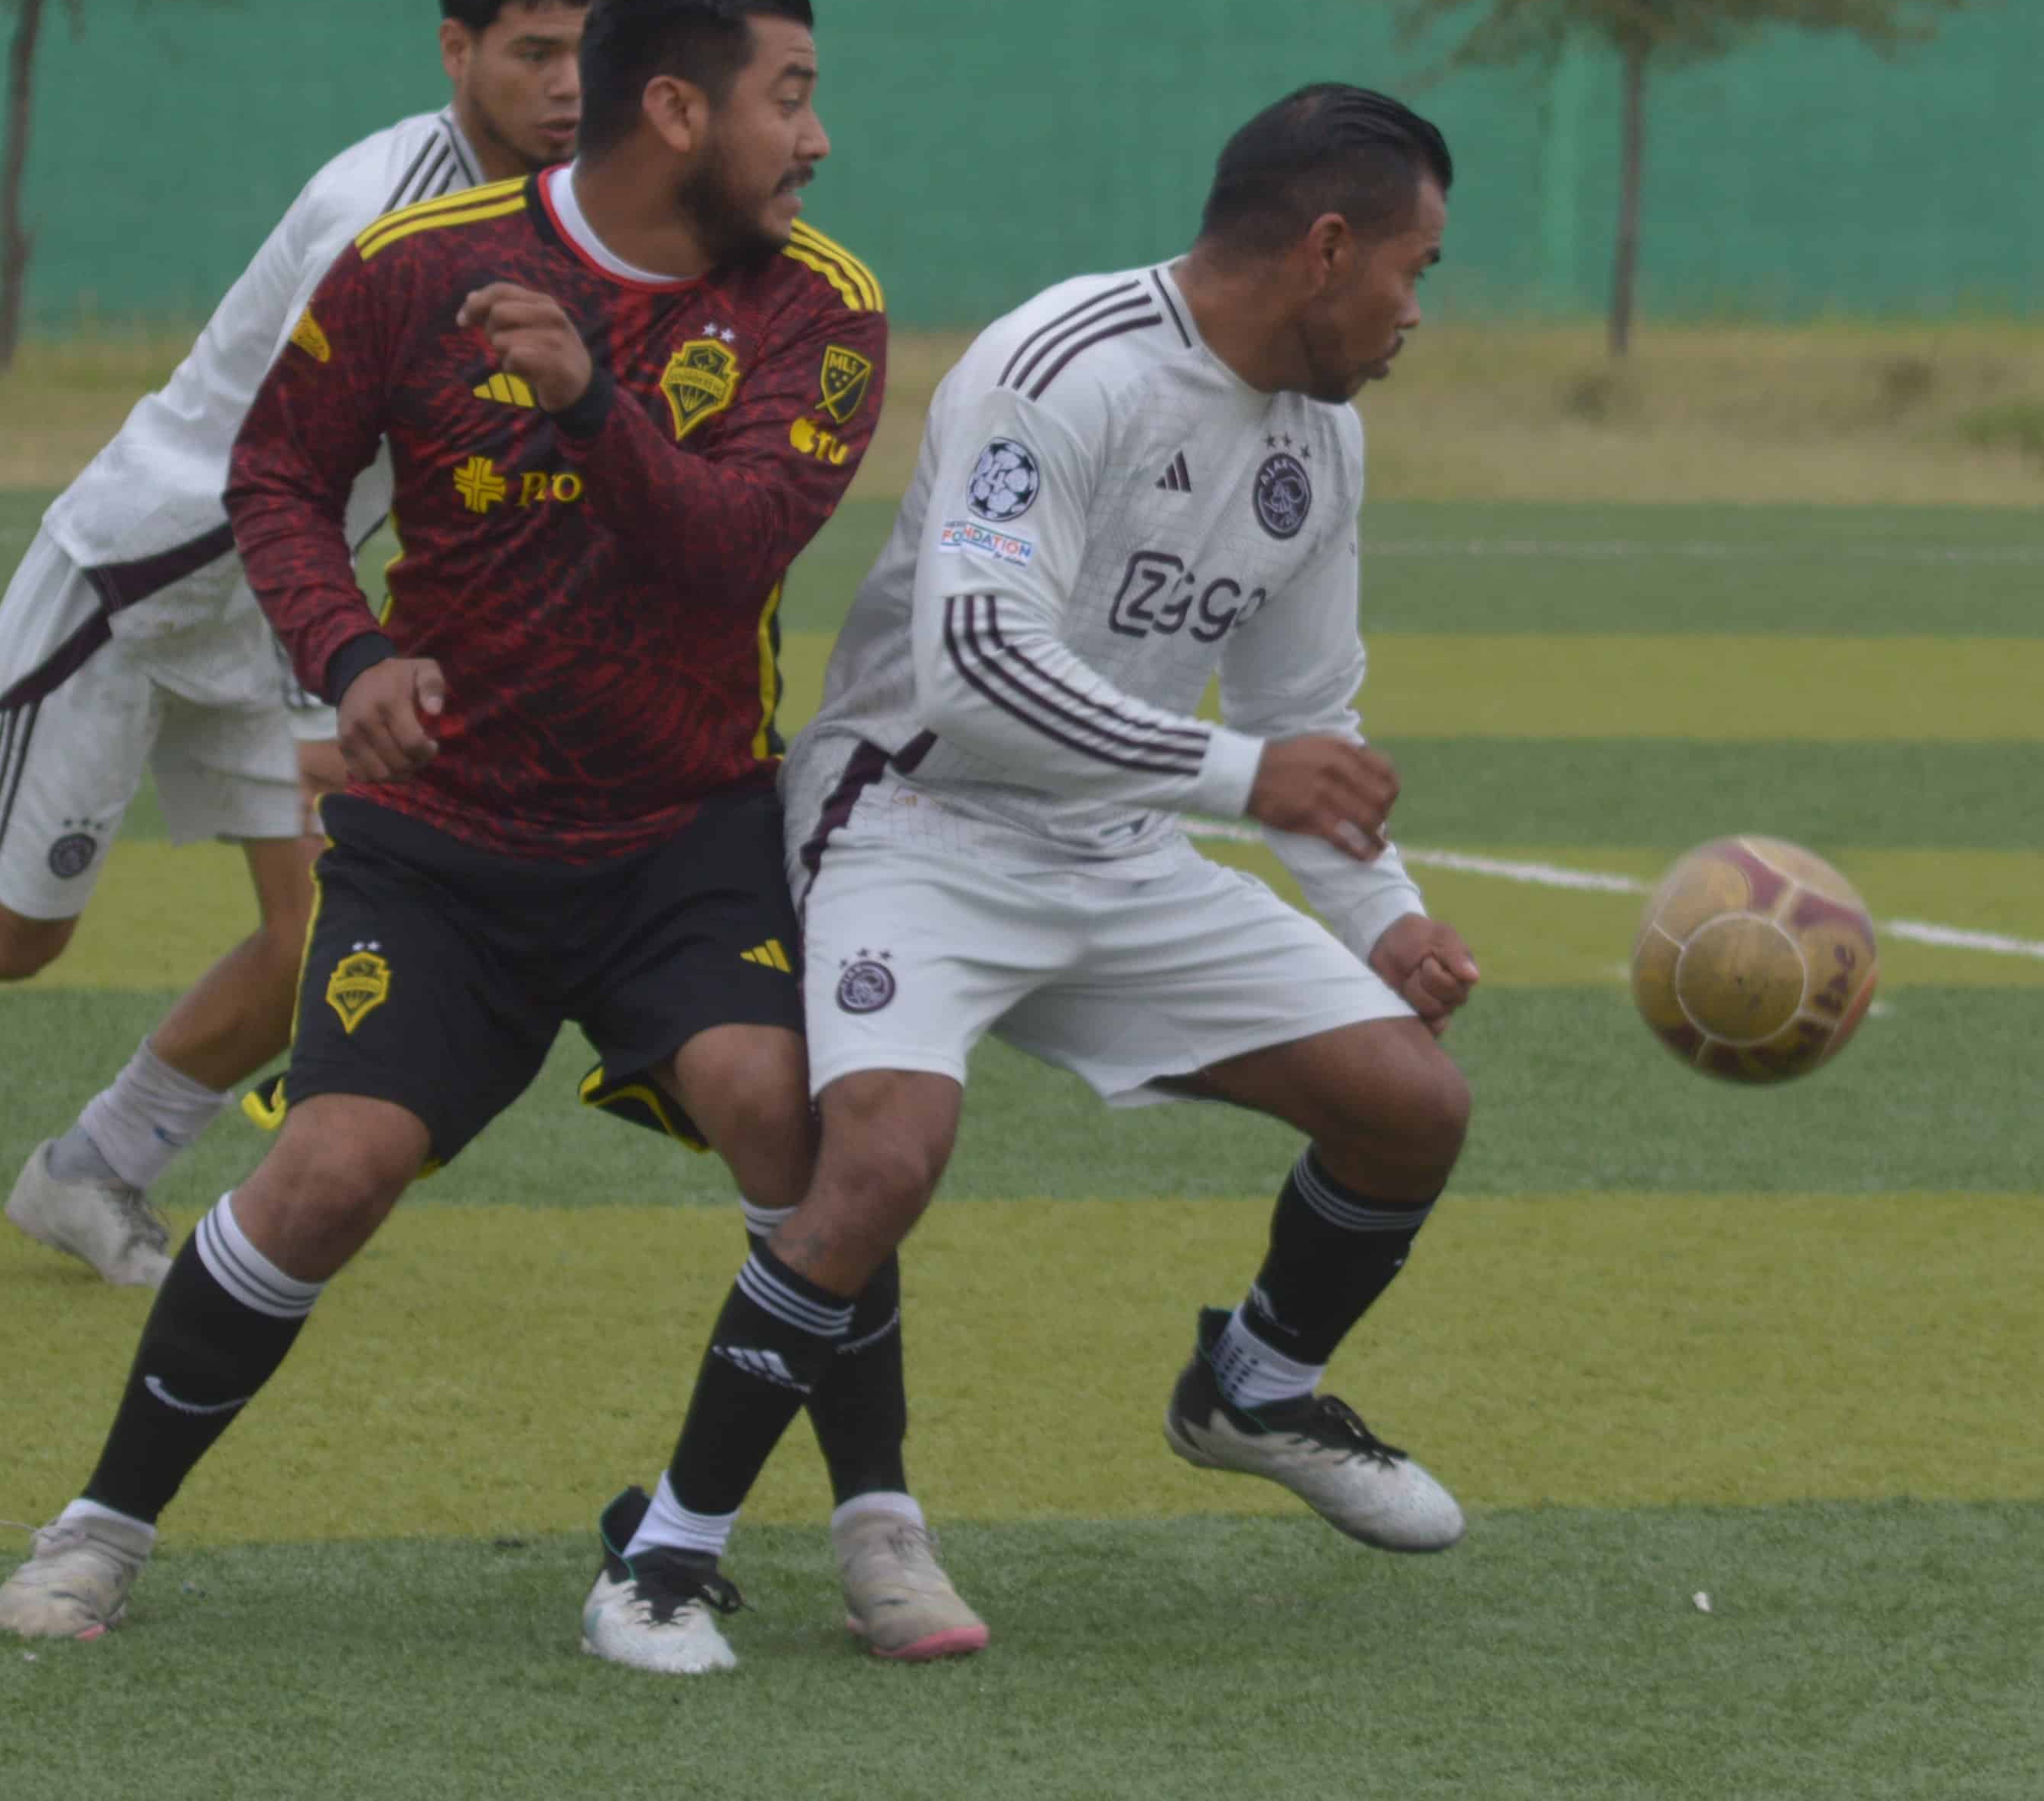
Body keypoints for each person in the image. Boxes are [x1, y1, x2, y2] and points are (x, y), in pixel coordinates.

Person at [0, 0, 986, 1671]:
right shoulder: (413, 266)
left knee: (793, 1123)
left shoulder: (821, 305)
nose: (816, 139)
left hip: (685, 835)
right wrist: (344, 649)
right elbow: (276, 473)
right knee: (329, 1173)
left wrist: (591, 398)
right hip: (445, 847)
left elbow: (734, 549)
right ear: (676, 109)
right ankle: (99, 1530)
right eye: (789, 96)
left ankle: (879, 1525)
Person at [604, 83, 1485, 1671]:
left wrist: (1386, 915)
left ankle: (1257, 1391)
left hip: (1118, 847)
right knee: (878, 1158)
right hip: (912, 826)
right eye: (1413, 269)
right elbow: (972, 669)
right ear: (1327, 247)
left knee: (1412, 1104)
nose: (1417, 311)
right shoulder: (1058, 364)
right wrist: (1242, 776)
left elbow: (1302, 720)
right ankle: (665, 1555)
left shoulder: (1323, 441)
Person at [0, 0, 598, 1285]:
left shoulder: (540, 212)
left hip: (278, 616)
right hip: (134, 587)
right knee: (11, 936)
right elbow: (317, 463)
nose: (567, 87)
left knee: (318, 940)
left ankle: (92, 1169)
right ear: (457, 51)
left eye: (585, 53)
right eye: (533, 55)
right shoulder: (380, 219)